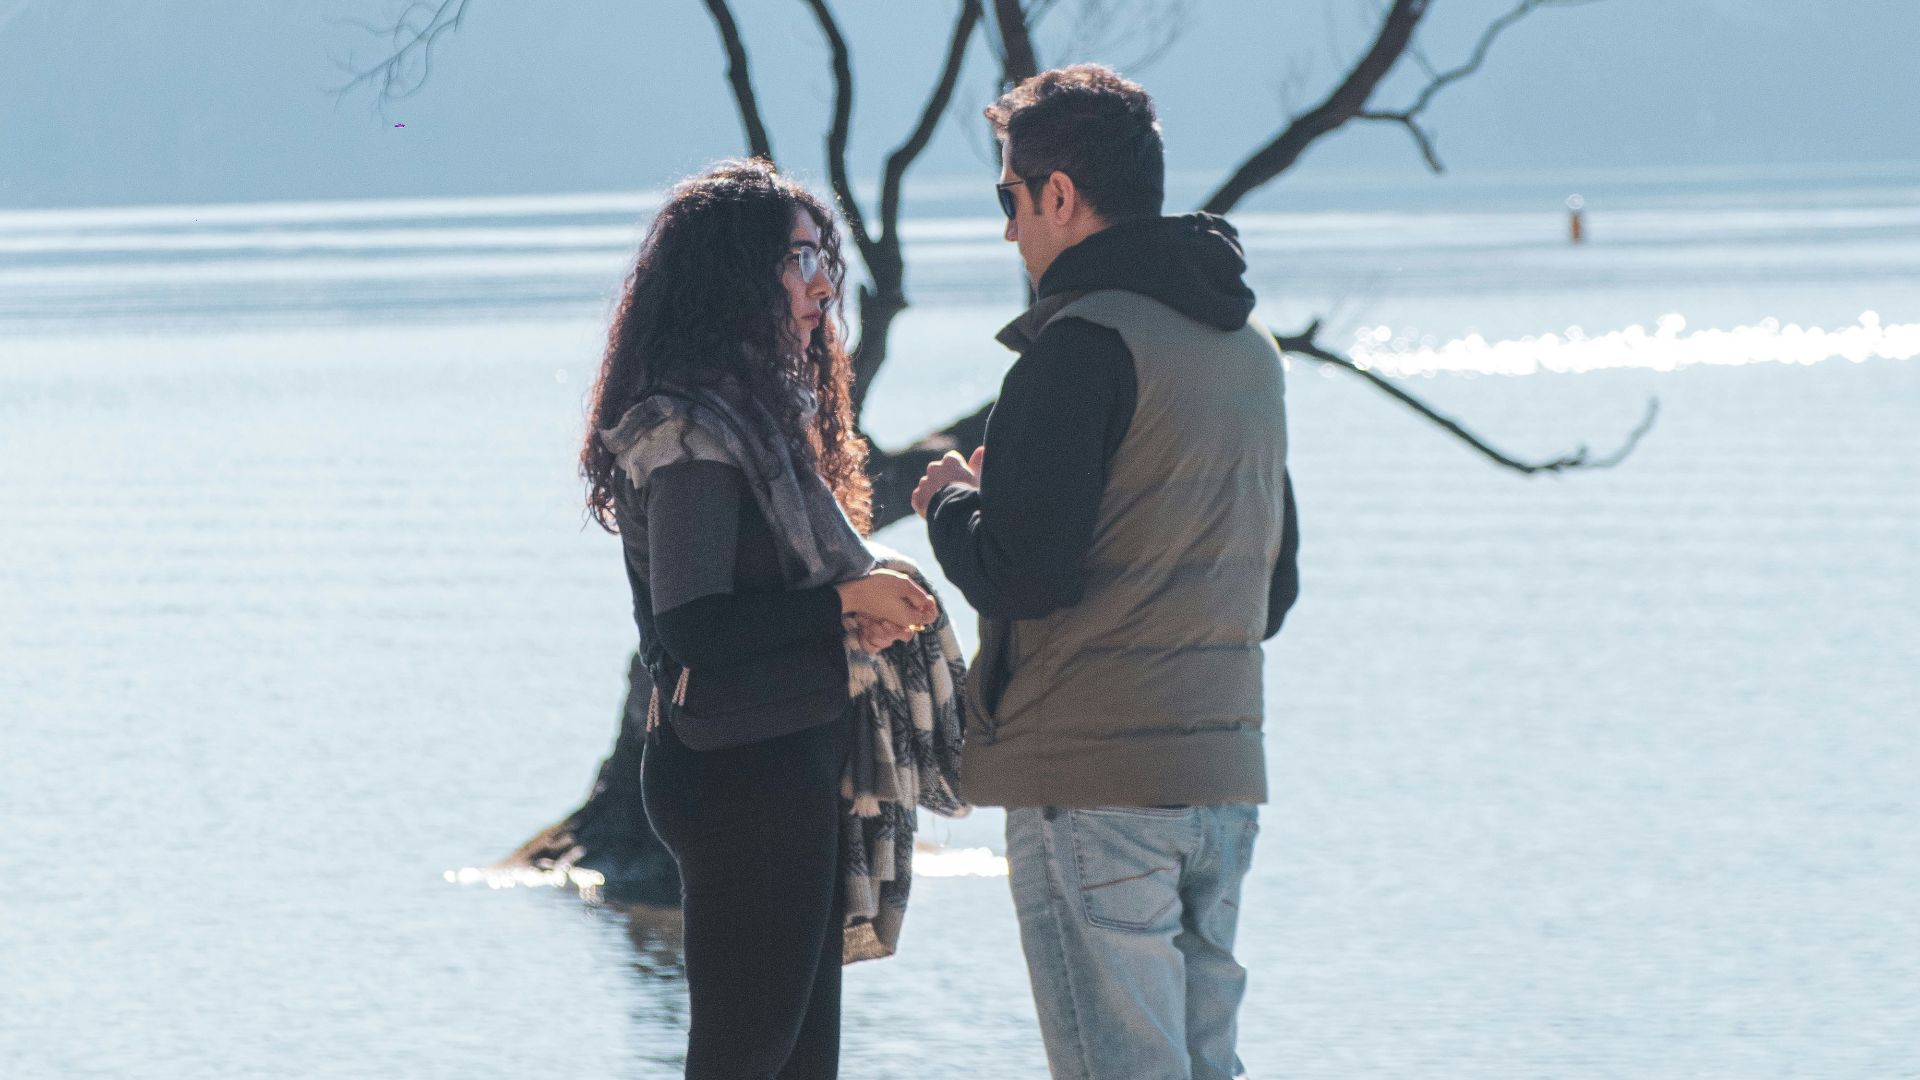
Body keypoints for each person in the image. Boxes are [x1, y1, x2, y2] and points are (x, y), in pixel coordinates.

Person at [911, 65, 1301, 1080]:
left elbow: (1022, 576)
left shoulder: (1076, 347)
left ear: (1057, 195)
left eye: (1009, 197)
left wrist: (951, 503)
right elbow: (1277, 591)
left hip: (1090, 784)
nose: (1009, 230)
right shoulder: (1248, 352)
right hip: (1222, 785)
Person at [583, 159, 939, 1079]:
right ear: (732, 275)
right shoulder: (693, 433)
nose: (823, 279)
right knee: (749, 1057)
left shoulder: (761, 417)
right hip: (736, 769)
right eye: (797, 257)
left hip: (784, 756)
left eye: (824, 254)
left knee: (798, 1061)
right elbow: (696, 627)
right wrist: (843, 604)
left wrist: (853, 610)